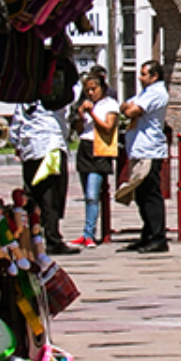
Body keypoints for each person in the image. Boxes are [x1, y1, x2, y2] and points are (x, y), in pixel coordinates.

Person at [116, 60, 171, 253]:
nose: (139, 77)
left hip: (150, 150)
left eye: (143, 74)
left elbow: (131, 110)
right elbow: (125, 105)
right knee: (141, 195)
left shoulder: (156, 93)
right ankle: (147, 233)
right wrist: (127, 107)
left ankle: (158, 237)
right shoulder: (146, 92)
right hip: (138, 149)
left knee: (150, 195)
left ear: (154, 76)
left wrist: (128, 108)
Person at [14, 101, 76, 255]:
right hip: (51, 148)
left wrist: (17, 142)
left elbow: (17, 122)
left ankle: (32, 235)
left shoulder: (26, 97)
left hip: (30, 148)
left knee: (33, 193)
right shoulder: (56, 96)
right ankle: (52, 238)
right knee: (51, 195)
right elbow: (63, 121)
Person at [72, 70, 120, 247]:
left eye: (93, 89)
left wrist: (92, 114)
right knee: (86, 194)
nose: (91, 93)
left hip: (99, 149)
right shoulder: (85, 104)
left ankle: (89, 233)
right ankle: (85, 232)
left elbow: (108, 127)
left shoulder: (110, 104)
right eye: (87, 90)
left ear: (102, 88)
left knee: (93, 195)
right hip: (85, 147)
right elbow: (78, 130)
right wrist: (79, 115)